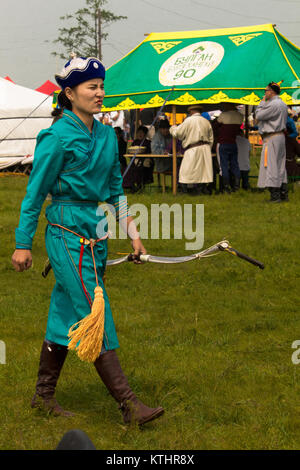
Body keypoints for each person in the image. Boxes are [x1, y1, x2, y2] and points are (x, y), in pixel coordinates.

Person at [11, 56, 164, 426]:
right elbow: (35, 193)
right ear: (69, 93)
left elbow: (115, 188)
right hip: (65, 234)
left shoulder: (107, 135)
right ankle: (129, 406)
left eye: (101, 86)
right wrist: (22, 243)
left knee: (64, 314)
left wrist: (132, 231)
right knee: (96, 313)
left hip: (96, 233)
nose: (100, 93)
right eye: (92, 87)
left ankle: (42, 397)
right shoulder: (56, 136)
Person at [169, 105, 214, 194]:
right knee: (203, 171)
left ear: (191, 111)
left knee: (185, 171)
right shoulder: (206, 122)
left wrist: (172, 128)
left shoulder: (189, 120)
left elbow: (178, 133)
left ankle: (185, 190)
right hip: (205, 148)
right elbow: (211, 138)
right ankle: (201, 189)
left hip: (193, 148)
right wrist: (208, 148)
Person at [256, 82, 288, 202]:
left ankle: (275, 196)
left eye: (266, 91)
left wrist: (262, 102)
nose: (265, 93)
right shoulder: (283, 104)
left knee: (271, 165)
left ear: (271, 91)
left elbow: (259, 115)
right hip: (279, 136)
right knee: (280, 165)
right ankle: (283, 193)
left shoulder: (272, 104)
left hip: (272, 137)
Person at [216, 103, 244, 193]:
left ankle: (226, 187)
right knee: (235, 165)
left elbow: (217, 125)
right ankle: (236, 187)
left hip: (223, 143)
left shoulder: (223, 115)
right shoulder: (240, 116)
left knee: (224, 166)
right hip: (233, 143)